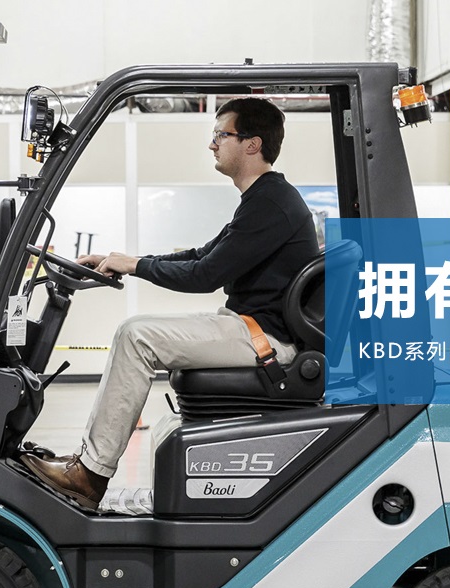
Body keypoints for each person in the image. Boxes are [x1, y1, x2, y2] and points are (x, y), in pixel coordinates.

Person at [23, 98, 320, 509]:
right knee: (138, 332)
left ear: (252, 144)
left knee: (136, 335)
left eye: (221, 135)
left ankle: (89, 476)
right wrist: (127, 261)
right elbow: (200, 256)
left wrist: (135, 266)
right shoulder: (264, 200)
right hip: (249, 328)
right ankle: (86, 466)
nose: (212, 144)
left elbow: (204, 275)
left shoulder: (271, 203)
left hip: (263, 339)